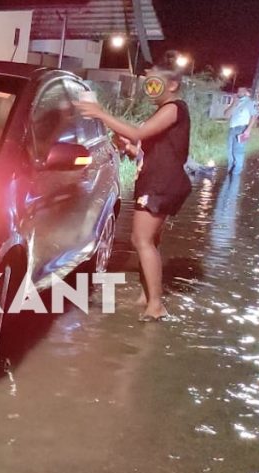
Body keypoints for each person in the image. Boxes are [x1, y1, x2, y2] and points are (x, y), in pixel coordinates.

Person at [75, 65, 192, 322]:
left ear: (171, 85)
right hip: (158, 181)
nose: (150, 87)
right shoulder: (165, 111)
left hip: (160, 185)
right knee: (149, 241)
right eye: (148, 82)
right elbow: (147, 150)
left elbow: (139, 133)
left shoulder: (174, 108)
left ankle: (156, 305)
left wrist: (100, 113)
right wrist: (129, 148)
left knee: (141, 240)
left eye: (155, 82)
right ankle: (147, 295)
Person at [224, 87, 257, 175]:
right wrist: (233, 104)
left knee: (238, 151)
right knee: (229, 151)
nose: (239, 92)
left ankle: (236, 173)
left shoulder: (249, 102)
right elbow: (226, 115)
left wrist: (248, 130)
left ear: (246, 92)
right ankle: (230, 171)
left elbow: (254, 116)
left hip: (242, 129)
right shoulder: (235, 102)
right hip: (232, 129)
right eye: (238, 91)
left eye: (241, 91)